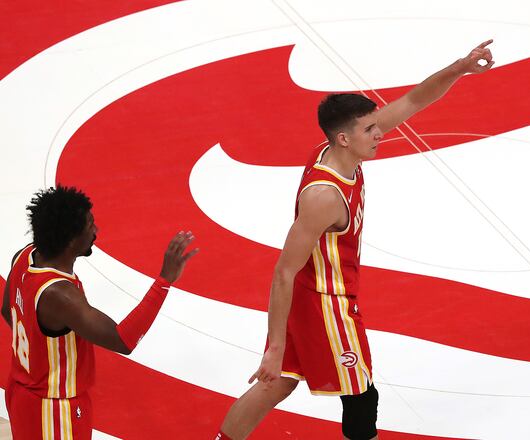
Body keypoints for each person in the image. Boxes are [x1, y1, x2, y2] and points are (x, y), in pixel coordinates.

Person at [217, 40, 494, 440]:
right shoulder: (324, 198)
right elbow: (283, 271)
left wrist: (460, 68)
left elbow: (415, 100)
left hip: (310, 294)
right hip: (326, 302)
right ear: (344, 139)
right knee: (362, 397)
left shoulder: (335, 149)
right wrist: (274, 345)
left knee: (278, 382)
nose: (379, 134)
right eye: (370, 130)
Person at [1, 186, 198, 439]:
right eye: (90, 226)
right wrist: (164, 281)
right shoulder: (60, 295)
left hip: (21, 391)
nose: (96, 231)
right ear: (71, 240)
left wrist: (40, 352)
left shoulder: (24, 256)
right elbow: (123, 340)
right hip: (53, 410)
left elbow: (8, 311)